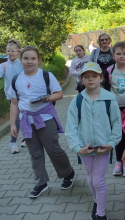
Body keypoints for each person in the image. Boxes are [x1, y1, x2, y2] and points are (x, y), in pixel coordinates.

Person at [10, 45, 75, 198]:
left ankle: (68, 174)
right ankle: (41, 183)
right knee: (35, 153)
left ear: (38, 60)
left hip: (45, 118)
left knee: (53, 149)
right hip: (26, 120)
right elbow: (14, 103)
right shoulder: (16, 79)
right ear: (21, 60)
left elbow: (59, 94)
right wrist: (13, 124)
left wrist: (46, 98)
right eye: (26, 58)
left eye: (33, 58)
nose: (29, 61)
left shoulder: (46, 76)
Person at [65, 62, 122, 220]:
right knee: (90, 178)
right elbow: (70, 126)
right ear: (82, 79)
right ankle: (97, 202)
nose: (90, 79)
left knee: (98, 180)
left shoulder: (109, 99)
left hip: (103, 147)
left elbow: (117, 123)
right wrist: (77, 148)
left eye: (94, 76)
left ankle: (101, 214)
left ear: (101, 78)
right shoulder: (77, 100)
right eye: (86, 76)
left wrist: (111, 143)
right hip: (85, 149)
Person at [103, 42, 125, 177]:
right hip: (115, 109)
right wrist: (112, 107)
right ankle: (118, 161)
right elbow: (105, 89)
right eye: (118, 54)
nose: (121, 56)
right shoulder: (110, 70)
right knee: (117, 135)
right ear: (113, 55)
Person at [0, 39, 25, 154]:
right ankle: (13, 143)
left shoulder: (23, 63)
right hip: (11, 96)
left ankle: (25, 138)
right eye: (8, 51)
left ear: (18, 51)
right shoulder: (3, 66)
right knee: (16, 119)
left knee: (26, 116)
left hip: (25, 95)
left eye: (13, 51)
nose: (10, 53)